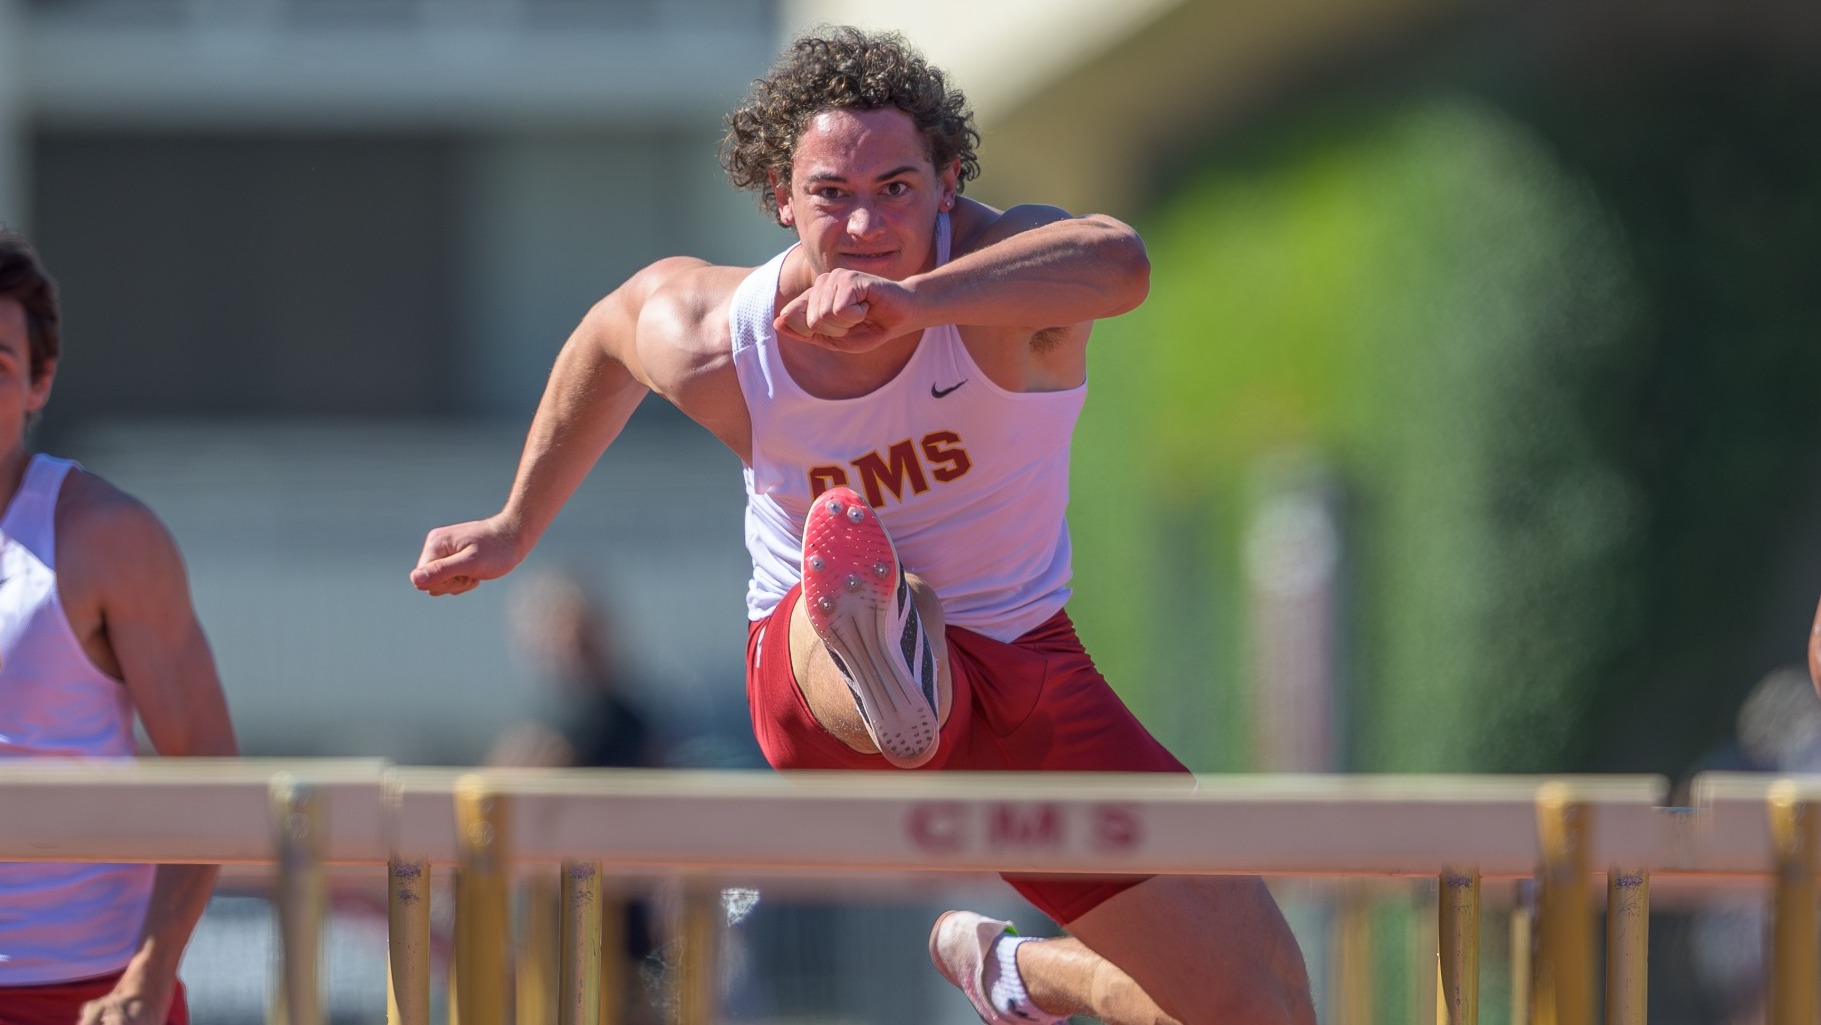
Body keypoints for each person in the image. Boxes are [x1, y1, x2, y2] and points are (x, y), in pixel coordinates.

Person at [413, 27, 1313, 1025]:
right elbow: (609, 337)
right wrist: (513, 524)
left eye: (895, 188)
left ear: (949, 183)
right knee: (844, 540)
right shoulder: (728, 338)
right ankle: (880, 637)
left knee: (1263, 1002)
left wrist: (915, 304)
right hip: (812, 681)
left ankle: (1025, 974)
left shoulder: (1004, 284)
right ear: (781, 201)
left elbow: (1121, 262)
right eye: (832, 194)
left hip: (1021, 670)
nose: (864, 221)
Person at [0, 228, 239, 1025]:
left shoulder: (104, 537)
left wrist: (148, 971)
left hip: (86, 990)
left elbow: (210, 771)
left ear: (40, 382)